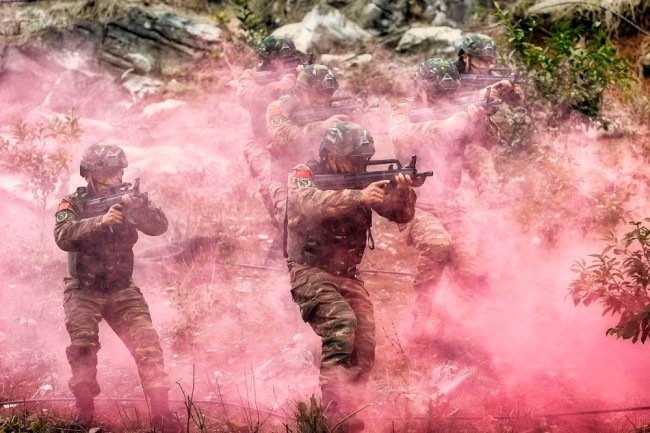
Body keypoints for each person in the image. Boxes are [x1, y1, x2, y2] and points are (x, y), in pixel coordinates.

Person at [285, 122, 416, 432]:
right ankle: (331, 416)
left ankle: (349, 411)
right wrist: (358, 196)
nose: (360, 166)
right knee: (342, 324)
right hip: (310, 270)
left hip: (347, 273)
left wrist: (403, 193)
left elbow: (401, 216)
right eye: (353, 160)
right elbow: (307, 203)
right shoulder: (304, 174)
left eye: (364, 160)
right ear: (330, 155)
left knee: (365, 343)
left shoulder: (362, 181)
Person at [53, 142, 180, 432]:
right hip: (83, 290)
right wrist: (101, 221)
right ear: (88, 175)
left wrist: (142, 207)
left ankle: (162, 414)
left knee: (148, 347)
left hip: (121, 288)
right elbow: (63, 236)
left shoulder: (127, 198)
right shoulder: (72, 204)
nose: (114, 178)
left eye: (118, 172)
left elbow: (159, 226)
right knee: (83, 349)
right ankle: (84, 412)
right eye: (107, 172)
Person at [388, 58, 501, 329]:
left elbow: (489, 142)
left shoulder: (458, 108)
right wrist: (451, 122)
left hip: (449, 201)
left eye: (448, 93)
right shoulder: (404, 109)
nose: (442, 99)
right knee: (439, 245)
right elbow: (400, 137)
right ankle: (420, 316)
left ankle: (454, 324)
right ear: (421, 89)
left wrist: (478, 119)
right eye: (437, 92)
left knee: (470, 265)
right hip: (414, 202)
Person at [237, 35, 302, 255]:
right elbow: (245, 95)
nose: (284, 66)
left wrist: (304, 82)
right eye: (278, 62)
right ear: (265, 61)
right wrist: (278, 86)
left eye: (289, 61)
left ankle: (293, 245)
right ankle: (282, 250)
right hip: (261, 145)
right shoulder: (252, 76)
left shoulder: (302, 72)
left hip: (293, 143)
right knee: (274, 194)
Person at [264, 64, 350, 226]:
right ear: (302, 90)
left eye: (328, 93)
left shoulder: (331, 110)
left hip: (323, 180)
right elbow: (282, 137)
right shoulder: (279, 107)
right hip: (285, 181)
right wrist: (321, 127)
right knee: (294, 226)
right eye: (319, 92)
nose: (324, 99)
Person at [455, 33, 523, 104]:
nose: (484, 66)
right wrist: (478, 95)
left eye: (488, 60)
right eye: (480, 60)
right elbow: (445, 103)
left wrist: (511, 93)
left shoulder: (489, 75)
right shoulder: (448, 73)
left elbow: (513, 102)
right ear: (466, 57)